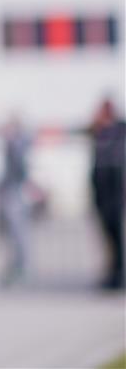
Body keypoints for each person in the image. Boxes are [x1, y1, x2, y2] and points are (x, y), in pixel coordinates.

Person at [88, 97, 125, 291]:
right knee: (108, 240)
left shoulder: (118, 132)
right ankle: (112, 274)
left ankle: (119, 276)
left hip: (115, 198)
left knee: (117, 240)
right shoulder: (100, 134)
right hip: (103, 199)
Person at [0, 114, 32, 287]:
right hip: (12, 192)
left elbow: (19, 171)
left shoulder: (17, 145)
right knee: (14, 234)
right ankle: (17, 268)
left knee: (18, 234)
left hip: (15, 193)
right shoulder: (13, 145)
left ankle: (21, 269)